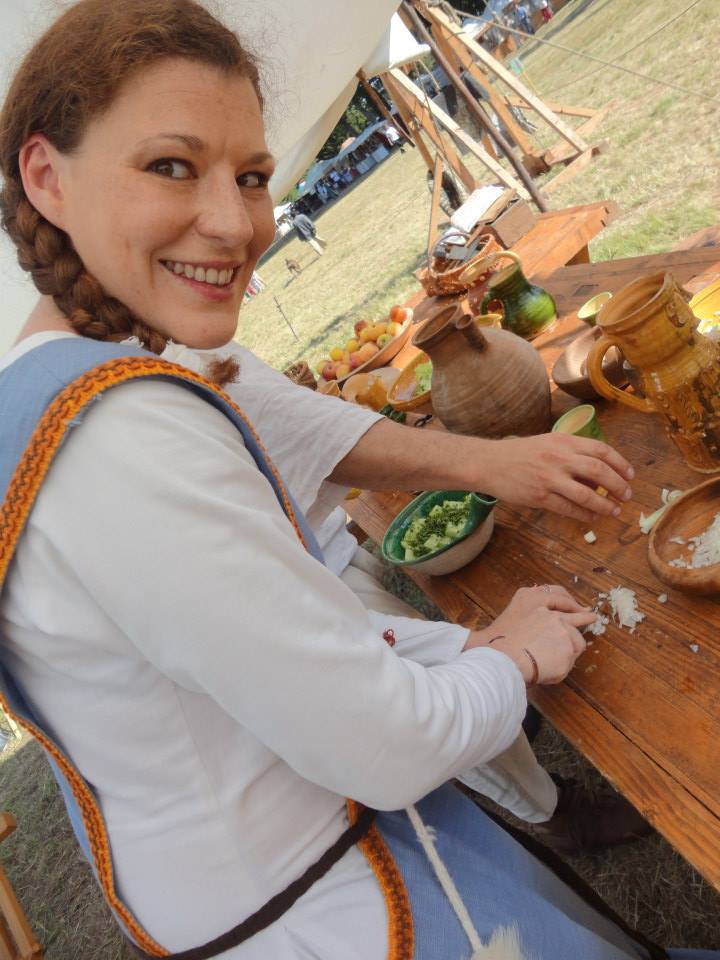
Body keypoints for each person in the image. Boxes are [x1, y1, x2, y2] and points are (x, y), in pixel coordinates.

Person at [0, 3, 714, 959]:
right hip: (328, 909)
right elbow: (388, 745)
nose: (235, 223)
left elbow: (256, 651)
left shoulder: (44, 386)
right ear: (47, 177)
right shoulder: (120, 436)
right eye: (170, 165)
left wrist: (460, 643)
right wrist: (514, 660)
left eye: (252, 177)